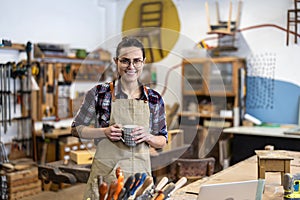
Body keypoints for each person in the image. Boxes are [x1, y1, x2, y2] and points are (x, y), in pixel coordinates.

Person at [71, 36, 168, 199]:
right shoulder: (99, 94)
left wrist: (148, 137)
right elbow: (75, 129)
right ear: (116, 61)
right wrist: (104, 132)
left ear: (143, 62)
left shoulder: (154, 98)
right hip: (106, 175)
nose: (131, 66)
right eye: (125, 61)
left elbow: (162, 140)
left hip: (140, 178)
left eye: (136, 61)